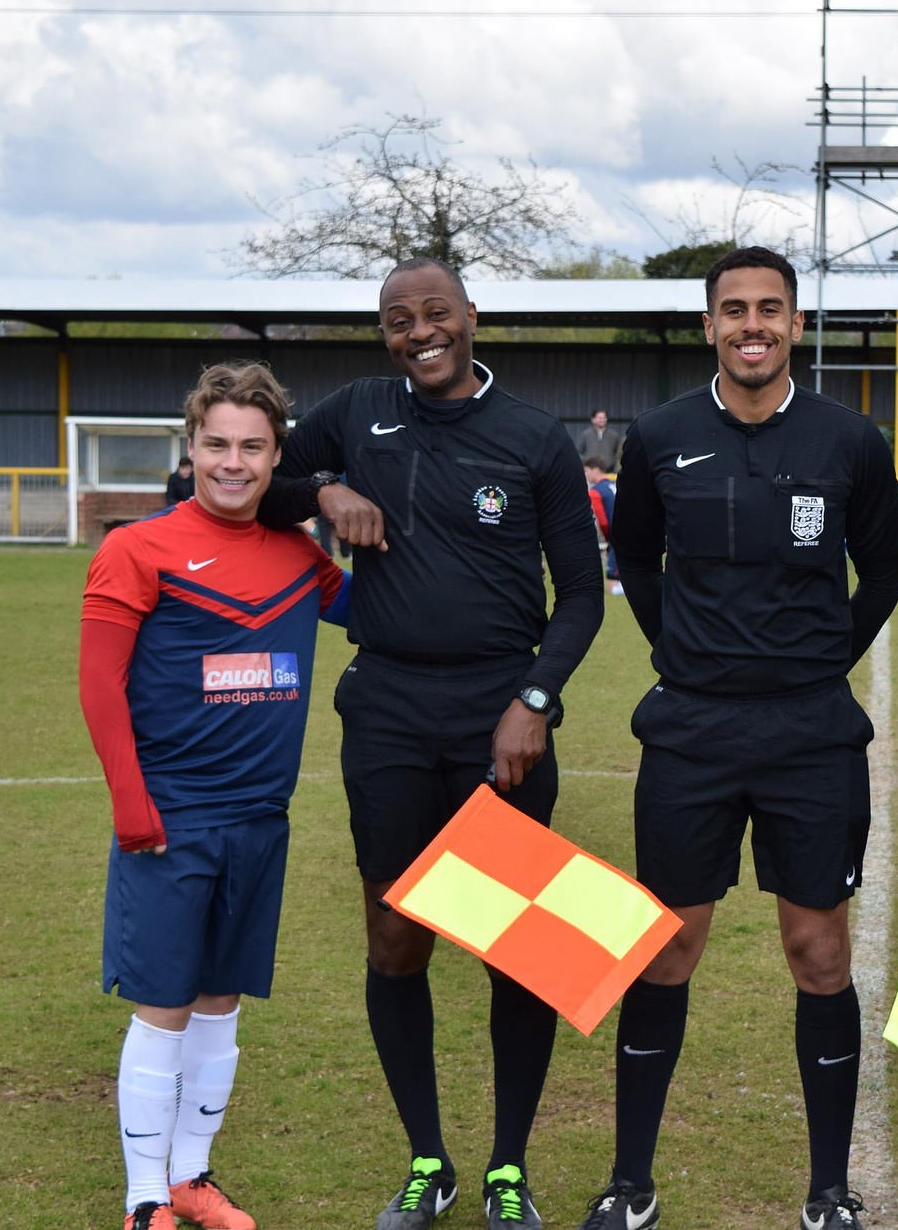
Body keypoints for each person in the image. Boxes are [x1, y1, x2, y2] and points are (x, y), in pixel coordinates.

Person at [255, 258, 604, 1230]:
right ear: (385, 334)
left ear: (471, 318)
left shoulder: (533, 438)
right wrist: (322, 491)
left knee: (516, 946)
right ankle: (427, 1159)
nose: (420, 332)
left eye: (436, 313)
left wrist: (533, 696)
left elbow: (581, 593)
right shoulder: (360, 410)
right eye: (399, 319)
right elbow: (260, 476)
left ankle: (505, 1167)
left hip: (500, 716)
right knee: (395, 931)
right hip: (387, 711)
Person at [576, 246, 898, 1230]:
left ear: (795, 323)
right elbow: (633, 553)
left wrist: (817, 656)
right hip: (691, 727)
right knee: (665, 945)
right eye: (733, 310)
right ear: (709, 325)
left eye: (769, 308)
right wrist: (683, 645)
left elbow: (883, 569)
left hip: (811, 732)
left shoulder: (849, 438)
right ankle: (630, 1182)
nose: (750, 324)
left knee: (816, 950)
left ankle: (826, 1191)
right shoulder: (663, 434)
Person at [81, 362, 350, 1230]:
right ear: (191, 445)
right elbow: (99, 685)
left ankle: (193, 1177)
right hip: (170, 818)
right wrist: (132, 806)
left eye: (254, 446)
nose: (233, 462)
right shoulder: (137, 547)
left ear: (279, 459)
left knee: (220, 1005)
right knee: (162, 1006)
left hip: (258, 821)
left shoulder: (300, 558)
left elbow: (388, 613)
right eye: (218, 443)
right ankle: (144, 1198)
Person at [583, 455, 621, 590]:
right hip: (629, 533)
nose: (585, 475)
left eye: (587, 471)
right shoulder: (615, 483)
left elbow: (603, 521)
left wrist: (608, 539)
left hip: (616, 537)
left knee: (611, 583)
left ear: (596, 470)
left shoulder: (595, 492)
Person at [576, 408, 625, 473]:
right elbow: (579, 452)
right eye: (599, 418)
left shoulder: (614, 435)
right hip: (591, 472)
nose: (602, 420)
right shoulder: (586, 435)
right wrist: (587, 461)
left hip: (610, 472)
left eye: (604, 418)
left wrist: (616, 467)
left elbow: (619, 454)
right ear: (593, 420)